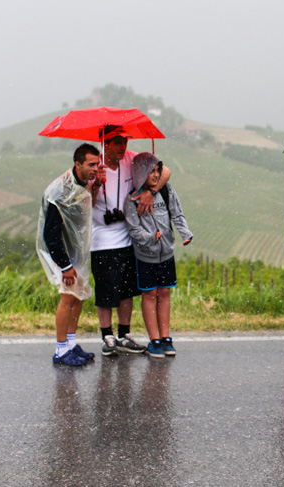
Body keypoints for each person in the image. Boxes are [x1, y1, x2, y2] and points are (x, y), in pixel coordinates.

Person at [91, 125, 171, 357]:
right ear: (105, 142)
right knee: (105, 290)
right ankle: (107, 335)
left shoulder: (131, 159)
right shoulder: (95, 165)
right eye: (117, 142)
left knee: (127, 290)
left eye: (125, 141)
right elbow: (87, 201)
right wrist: (97, 183)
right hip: (102, 239)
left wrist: (152, 191)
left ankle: (124, 334)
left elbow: (166, 171)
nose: (123, 146)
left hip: (128, 236)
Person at [124, 153, 193, 358]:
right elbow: (134, 230)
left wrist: (185, 233)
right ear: (140, 173)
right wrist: (150, 238)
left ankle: (166, 338)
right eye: (150, 171)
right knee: (150, 294)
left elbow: (177, 213)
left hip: (167, 253)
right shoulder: (133, 199)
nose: (155, 175)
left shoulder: (166, 191)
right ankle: (154, 340)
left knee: (165, 294)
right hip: (146, 256)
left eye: (157, 170)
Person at [37, 143, 100, 366]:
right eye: (91, 164)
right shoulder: (59, 191)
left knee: (78, 296)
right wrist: (65, 266)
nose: (95, 168)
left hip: (77, 251)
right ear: (77, 164)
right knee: (67, 297)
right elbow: (50, 235)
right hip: (61, 253)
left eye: (97, 163)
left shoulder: (82, 183)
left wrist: (96, 184)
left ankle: (72, 344)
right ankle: (61, 349)